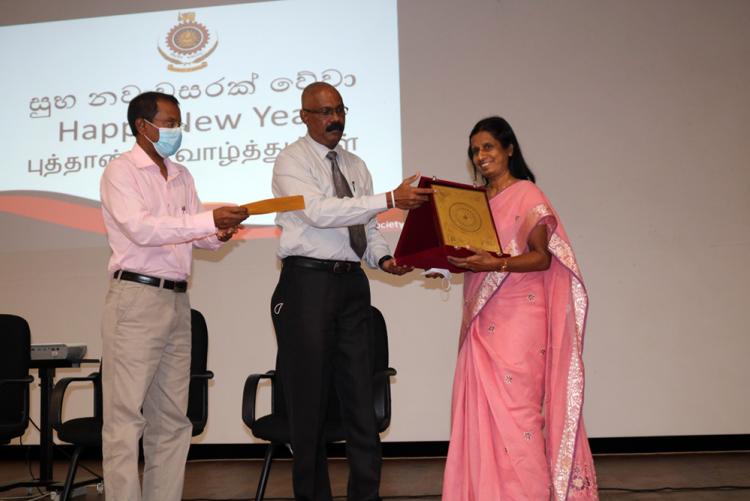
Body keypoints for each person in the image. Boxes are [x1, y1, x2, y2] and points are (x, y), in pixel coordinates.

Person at [271, 81, 432, 501]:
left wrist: (384, 260)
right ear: (304, 116)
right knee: (308, 404)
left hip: (352, 286)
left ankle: (366, 495)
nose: (334, 119)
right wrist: (391, 197)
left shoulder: (357, 165)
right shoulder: (291, 161)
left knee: (361, 398)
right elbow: (319, 212)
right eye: (324, 112)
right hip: (306, 284)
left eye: (340, 110)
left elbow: (367, 228)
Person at [99, 91, 248, 501]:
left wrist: (218, 231)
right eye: (168, 122)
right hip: (136, 298)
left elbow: (194, 235)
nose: (175, 131)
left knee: (172, 419)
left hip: (178, 300)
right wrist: (205, 220)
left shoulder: (182, 175)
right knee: (125, 418)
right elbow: (143, 229)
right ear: (142, 126)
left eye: (179, 122)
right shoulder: (121, 171)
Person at [441, 116, 598, 500]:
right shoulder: (474, 204)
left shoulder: (527, 194)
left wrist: (494, 264)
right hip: (483, 323)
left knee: (519, 416)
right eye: (475, 150)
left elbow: (542, 257)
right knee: (484, 416)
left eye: (488, 147)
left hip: (520, 321)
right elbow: (476, 256)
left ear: (509, 149)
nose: (481, 156)